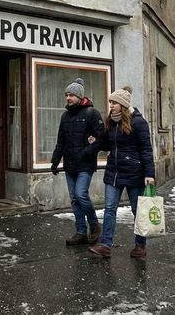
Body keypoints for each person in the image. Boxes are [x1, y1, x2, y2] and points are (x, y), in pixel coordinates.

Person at [89, 86, 155, 259]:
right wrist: (95, 141)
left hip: (134, 173)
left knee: (137, 210)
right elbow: (107, 144)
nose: (111, 105)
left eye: (114, 102)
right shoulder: (112, 122)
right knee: (109, 209)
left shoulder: (138, 122)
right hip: (114, 172)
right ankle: (105, 245)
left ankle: (140, 246)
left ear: (123, 105)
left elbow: (146, 149)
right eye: (110, 102)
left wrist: (149, 174)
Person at [51, 77, 105, 245]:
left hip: (85, 164)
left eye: (71, 95)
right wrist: (55, 161)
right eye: (66, 95)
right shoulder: (65, 116)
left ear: (80, 96)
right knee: (74, 199)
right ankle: (80, 231)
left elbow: (101, 139)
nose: (68, 98)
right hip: (69, 164)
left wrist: (86, 152)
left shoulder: (92, 113)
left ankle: (94, 224)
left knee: (81, 195)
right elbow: (60, 141)